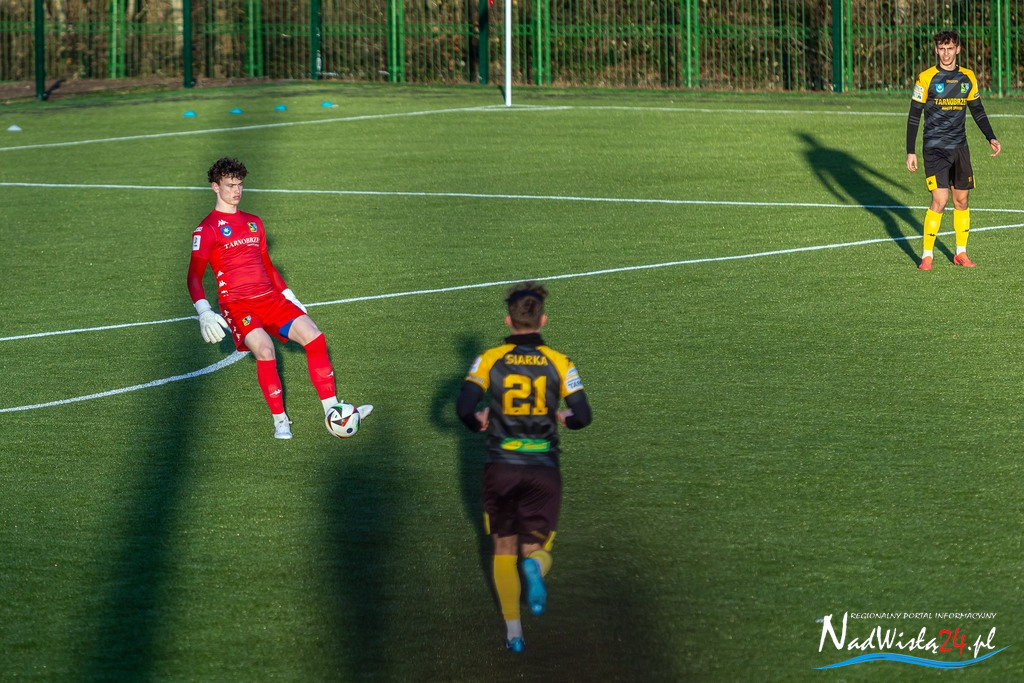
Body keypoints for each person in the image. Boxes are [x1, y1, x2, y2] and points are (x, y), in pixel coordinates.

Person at [186, 157, 372, 439]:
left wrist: (288, 295)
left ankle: (333, 410)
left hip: (271, 299)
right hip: (238, 305)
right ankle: (280, 421)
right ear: (215, 187)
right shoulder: (207, 229)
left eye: (240, 185)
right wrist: (204, 311)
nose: (236, 191)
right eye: (230, 185)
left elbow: (267, 264)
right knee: (265, 350)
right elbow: (193, 276)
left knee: (314, 336)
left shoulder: (253, 222)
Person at [455, 282, 592, 653]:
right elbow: (583, 416)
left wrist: (478, 419)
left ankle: (514, 633)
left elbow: (464, 408)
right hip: (543, 467)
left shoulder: (489, 359)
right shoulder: (560, 362)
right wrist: (563, 417)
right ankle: (535, 567)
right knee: (535, 548)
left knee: (502, 547)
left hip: (501, 465)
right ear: (543, 320)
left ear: (508, 320)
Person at [906, 29, 1001, 271]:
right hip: (934, 148)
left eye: (950, 49)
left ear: (958, 49)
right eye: (942, 49)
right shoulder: (926, 78)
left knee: (962, 200)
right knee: (940, 199)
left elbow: (977, 109)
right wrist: (910, 151)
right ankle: (927, 256)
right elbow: (914, 115)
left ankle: (961, 253)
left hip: (960, 148)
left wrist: (990, 136)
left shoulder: (967, 77)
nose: (946, 54)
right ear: (936, 50)